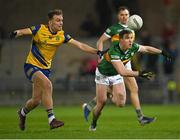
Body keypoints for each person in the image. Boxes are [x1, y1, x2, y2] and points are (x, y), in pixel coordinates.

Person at [10, 9, 104, 130]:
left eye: (62, 20)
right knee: (48, 85)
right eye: (58, 20)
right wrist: (17, 32)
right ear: (50, 22)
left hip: (44, 70)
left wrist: (97, 52)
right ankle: (51, 119)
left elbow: (80, 45)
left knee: (36, 101)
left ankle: (22, 113)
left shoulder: (62, 35)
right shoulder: (40, 29)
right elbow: (25, 31)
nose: (61, 23)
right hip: (31, 66)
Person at [83, 6, 169, 126]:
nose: (124, 17)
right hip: (115, 60)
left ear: (130, 16)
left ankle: (90, 105)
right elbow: (100, 41)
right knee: (130, 89)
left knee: (129, 92)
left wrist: (161, 52)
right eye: (122, 14)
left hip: (125, 61)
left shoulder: (132, 30)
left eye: (126, 15)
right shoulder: (114, 28)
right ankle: (140, 118)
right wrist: (100, 54)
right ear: (118, 16)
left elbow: (139, 48)